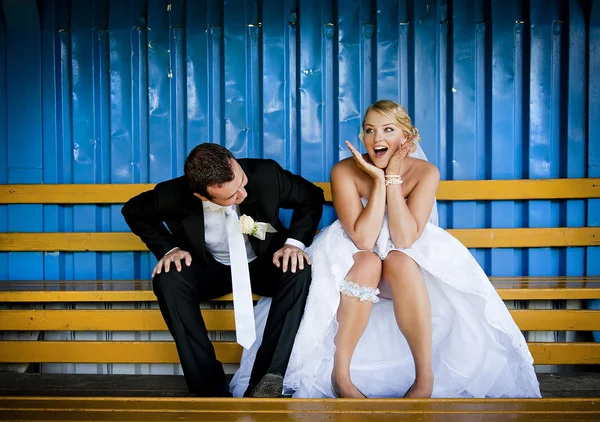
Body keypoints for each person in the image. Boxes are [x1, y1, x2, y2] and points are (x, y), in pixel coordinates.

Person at [231, 100, 541, 399]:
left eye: (388, 130)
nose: (376, 138)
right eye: (369, 130)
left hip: (405, 251)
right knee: (367, 262)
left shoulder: (425, 172)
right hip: (352, 248)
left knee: (400, 261)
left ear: (407, 137)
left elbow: (405, 238)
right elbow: (364, 239)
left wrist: (392, 176)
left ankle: (424, 378)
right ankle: (342, 378)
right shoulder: (343, 172)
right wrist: (377, 182)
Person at [122, 143, 325, 397]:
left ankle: (266, 380)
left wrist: (293, 244)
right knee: (167, 279)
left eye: (241, 181)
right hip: (210, 269)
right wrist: (169, 250)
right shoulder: (172, 194)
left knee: (298, 268)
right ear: (202, 196)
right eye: (232, 196)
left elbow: (311, 197)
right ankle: (207, 387)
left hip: (263, 265)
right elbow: (133, 210)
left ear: (232, 160)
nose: (242, 193)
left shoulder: (265, 173)